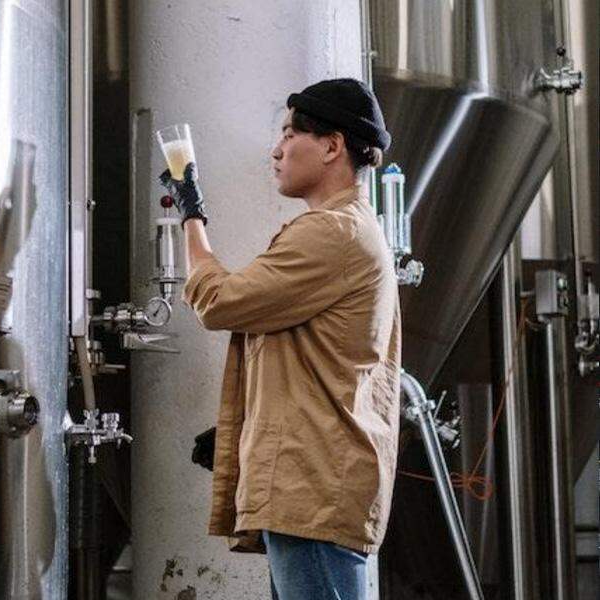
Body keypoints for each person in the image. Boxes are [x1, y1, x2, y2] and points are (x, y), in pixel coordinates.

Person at [160, 78, 402, 600]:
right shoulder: (348, 229)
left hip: (312, 489)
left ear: (333, 146)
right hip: (311, 485)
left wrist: (191, 212)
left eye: (290, 134)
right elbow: (311, 362)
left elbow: (220, 301)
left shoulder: (332, 232)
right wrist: (248, 432)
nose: (276, 149)